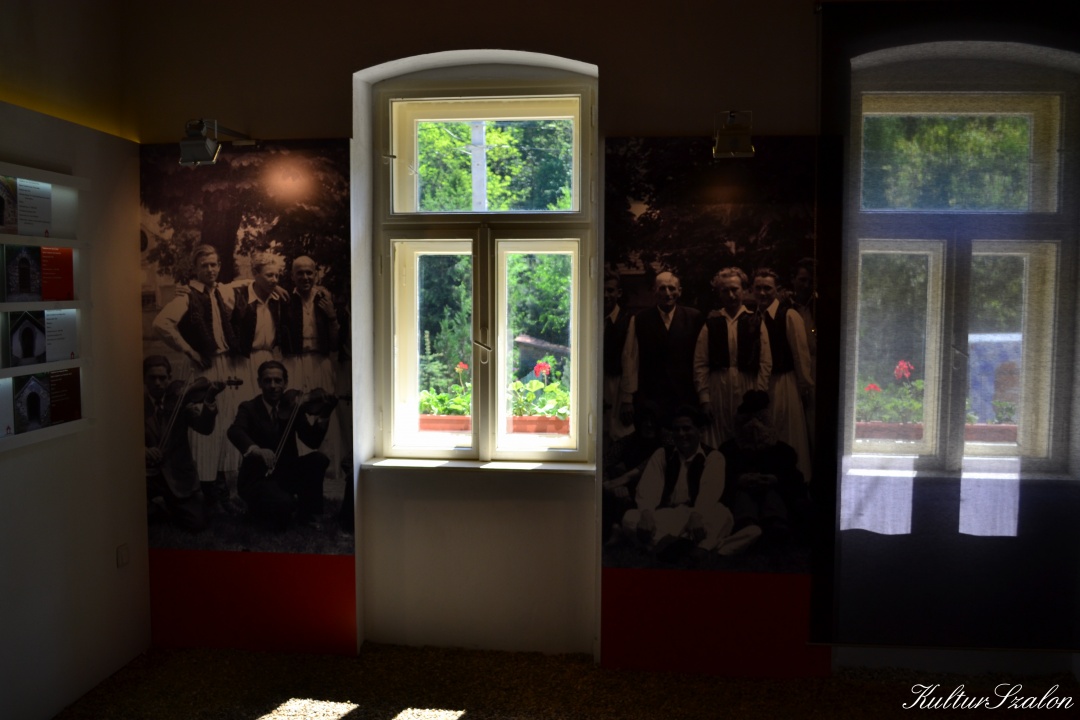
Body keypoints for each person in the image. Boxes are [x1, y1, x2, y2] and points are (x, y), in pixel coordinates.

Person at [152, 244, 240, 490]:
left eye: (213, 265)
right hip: (202, 367)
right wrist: (189, 350)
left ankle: (220, 487)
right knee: (203, 428)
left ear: (219, 266)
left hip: (223, 363)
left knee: (223, 423)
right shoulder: (186, 295)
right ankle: (203, 488)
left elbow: (249, 283)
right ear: (195, 269)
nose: (210, 270)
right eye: (204, 266)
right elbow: (161, 323)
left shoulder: (220, 292)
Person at [621, 406, 759, 557]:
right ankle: (708, 548)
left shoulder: (713, 457)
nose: (681, 434)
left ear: (700, 431)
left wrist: (696, 515)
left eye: (686, 429)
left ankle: (667, 547)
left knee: (722, 515)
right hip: (667, 515)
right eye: (676, 430)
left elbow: (710, 493)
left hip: (697, 515)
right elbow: (649, 487)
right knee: (630, 517)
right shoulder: (662, 454)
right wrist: (646, 514)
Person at [227, 360, 336, 531]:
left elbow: (312, 441)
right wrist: (256, 450)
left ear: (285, 383)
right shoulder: (249, 408)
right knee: (284, 508)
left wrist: (324, 414)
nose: (273, 386)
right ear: (259, 383)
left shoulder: (294, 406)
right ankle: (259, 508)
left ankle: (308, 514)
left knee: (318, 459)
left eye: (278, 381)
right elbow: (235, 431)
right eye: (267, 381)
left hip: (286, 473)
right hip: (258, 478)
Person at [279, 255, 343, 475]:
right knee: (297, 410)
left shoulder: (325, 299)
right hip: (295, 361)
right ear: (292, 276)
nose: (305, 277)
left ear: (316, 274)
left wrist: (332, 317)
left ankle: (326, 467)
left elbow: (335, 343)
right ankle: (299, 466)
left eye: (309, 272)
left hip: (320, 362)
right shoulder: (285, 300)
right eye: (300, 273)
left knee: (324, 407)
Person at [693, 267, 772, 447]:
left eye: (735, 289)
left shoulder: (755, 321)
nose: (731, 295)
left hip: (747, 385)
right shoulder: (712, 323)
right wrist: (704, 398)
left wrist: (759, 394)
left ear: (743, 290)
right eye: (725, 291)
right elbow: (700, 363)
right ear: (719, 294)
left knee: (746, 435)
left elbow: (765, 362)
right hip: (718, 387)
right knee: (718, 437)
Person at [719, 390, 805, 546]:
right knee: (743, 497)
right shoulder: (728, 451)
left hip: (774, 496)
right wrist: (739, 480)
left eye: (759, 420)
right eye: (748, 420)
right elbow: (719, 479)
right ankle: (746, 525)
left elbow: (795, 478)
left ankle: (775, 524)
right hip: (741, 497)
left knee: (772, 495)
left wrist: (775, 480)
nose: (754, 425)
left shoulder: (783, 451)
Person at [618, 271, 704, 427]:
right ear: (654, 291)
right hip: (651, 397)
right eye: (662, 288)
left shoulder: (694, 318)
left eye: (672, 288)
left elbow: (701, 360)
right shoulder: (640, 319)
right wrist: (627, 398)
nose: (668, 293)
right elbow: (630, 358)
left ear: (680, 291)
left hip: (685, 395)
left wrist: (704, 397)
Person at [143, 355, 219, 531]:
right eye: (152, 378)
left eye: (162, 378)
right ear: (144, 379)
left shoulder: (181, 400)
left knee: (197, 524)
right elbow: (119, 440)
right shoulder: (133, 404)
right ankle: (156, 508)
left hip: (178, 474)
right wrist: (142, 450)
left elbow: (204, 428)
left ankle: (169, 506)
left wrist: (209, 401)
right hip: (147, 475)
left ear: (170, 378)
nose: (158, 383)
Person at [752, 267, 813, 484]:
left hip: (785, 383)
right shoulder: (753, 317)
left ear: (776, 290)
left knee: (787, 432)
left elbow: (800, 355)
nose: (762, 293)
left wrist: (804, 385)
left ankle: (794, 481)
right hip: (762, 384)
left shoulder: (788, 315)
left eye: (767, 288)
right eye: (758, 288)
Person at [602, 268, 633, 440]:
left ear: (618, 293)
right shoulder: (591, 318)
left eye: (610, 290)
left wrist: (627, 398)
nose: (605, 295)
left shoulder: (627, 320)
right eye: (601, 290)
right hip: (596, 382)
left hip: (617, 384)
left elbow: (629, 359)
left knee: (618, 431)